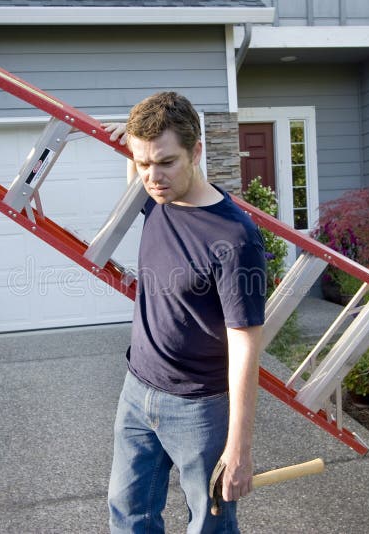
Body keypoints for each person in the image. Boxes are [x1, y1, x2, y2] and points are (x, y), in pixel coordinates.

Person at [103, 91, 266, 533]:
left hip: (199, 408)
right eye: (142, 164)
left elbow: (246, 345)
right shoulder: (153, 196)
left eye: (166, 162)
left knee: (208, 523)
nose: (152, 177)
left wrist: (240, 447)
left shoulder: (235, 237)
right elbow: (145, 171)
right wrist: (133, 153)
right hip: (137, 391)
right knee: (128, 514)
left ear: (196, 152)